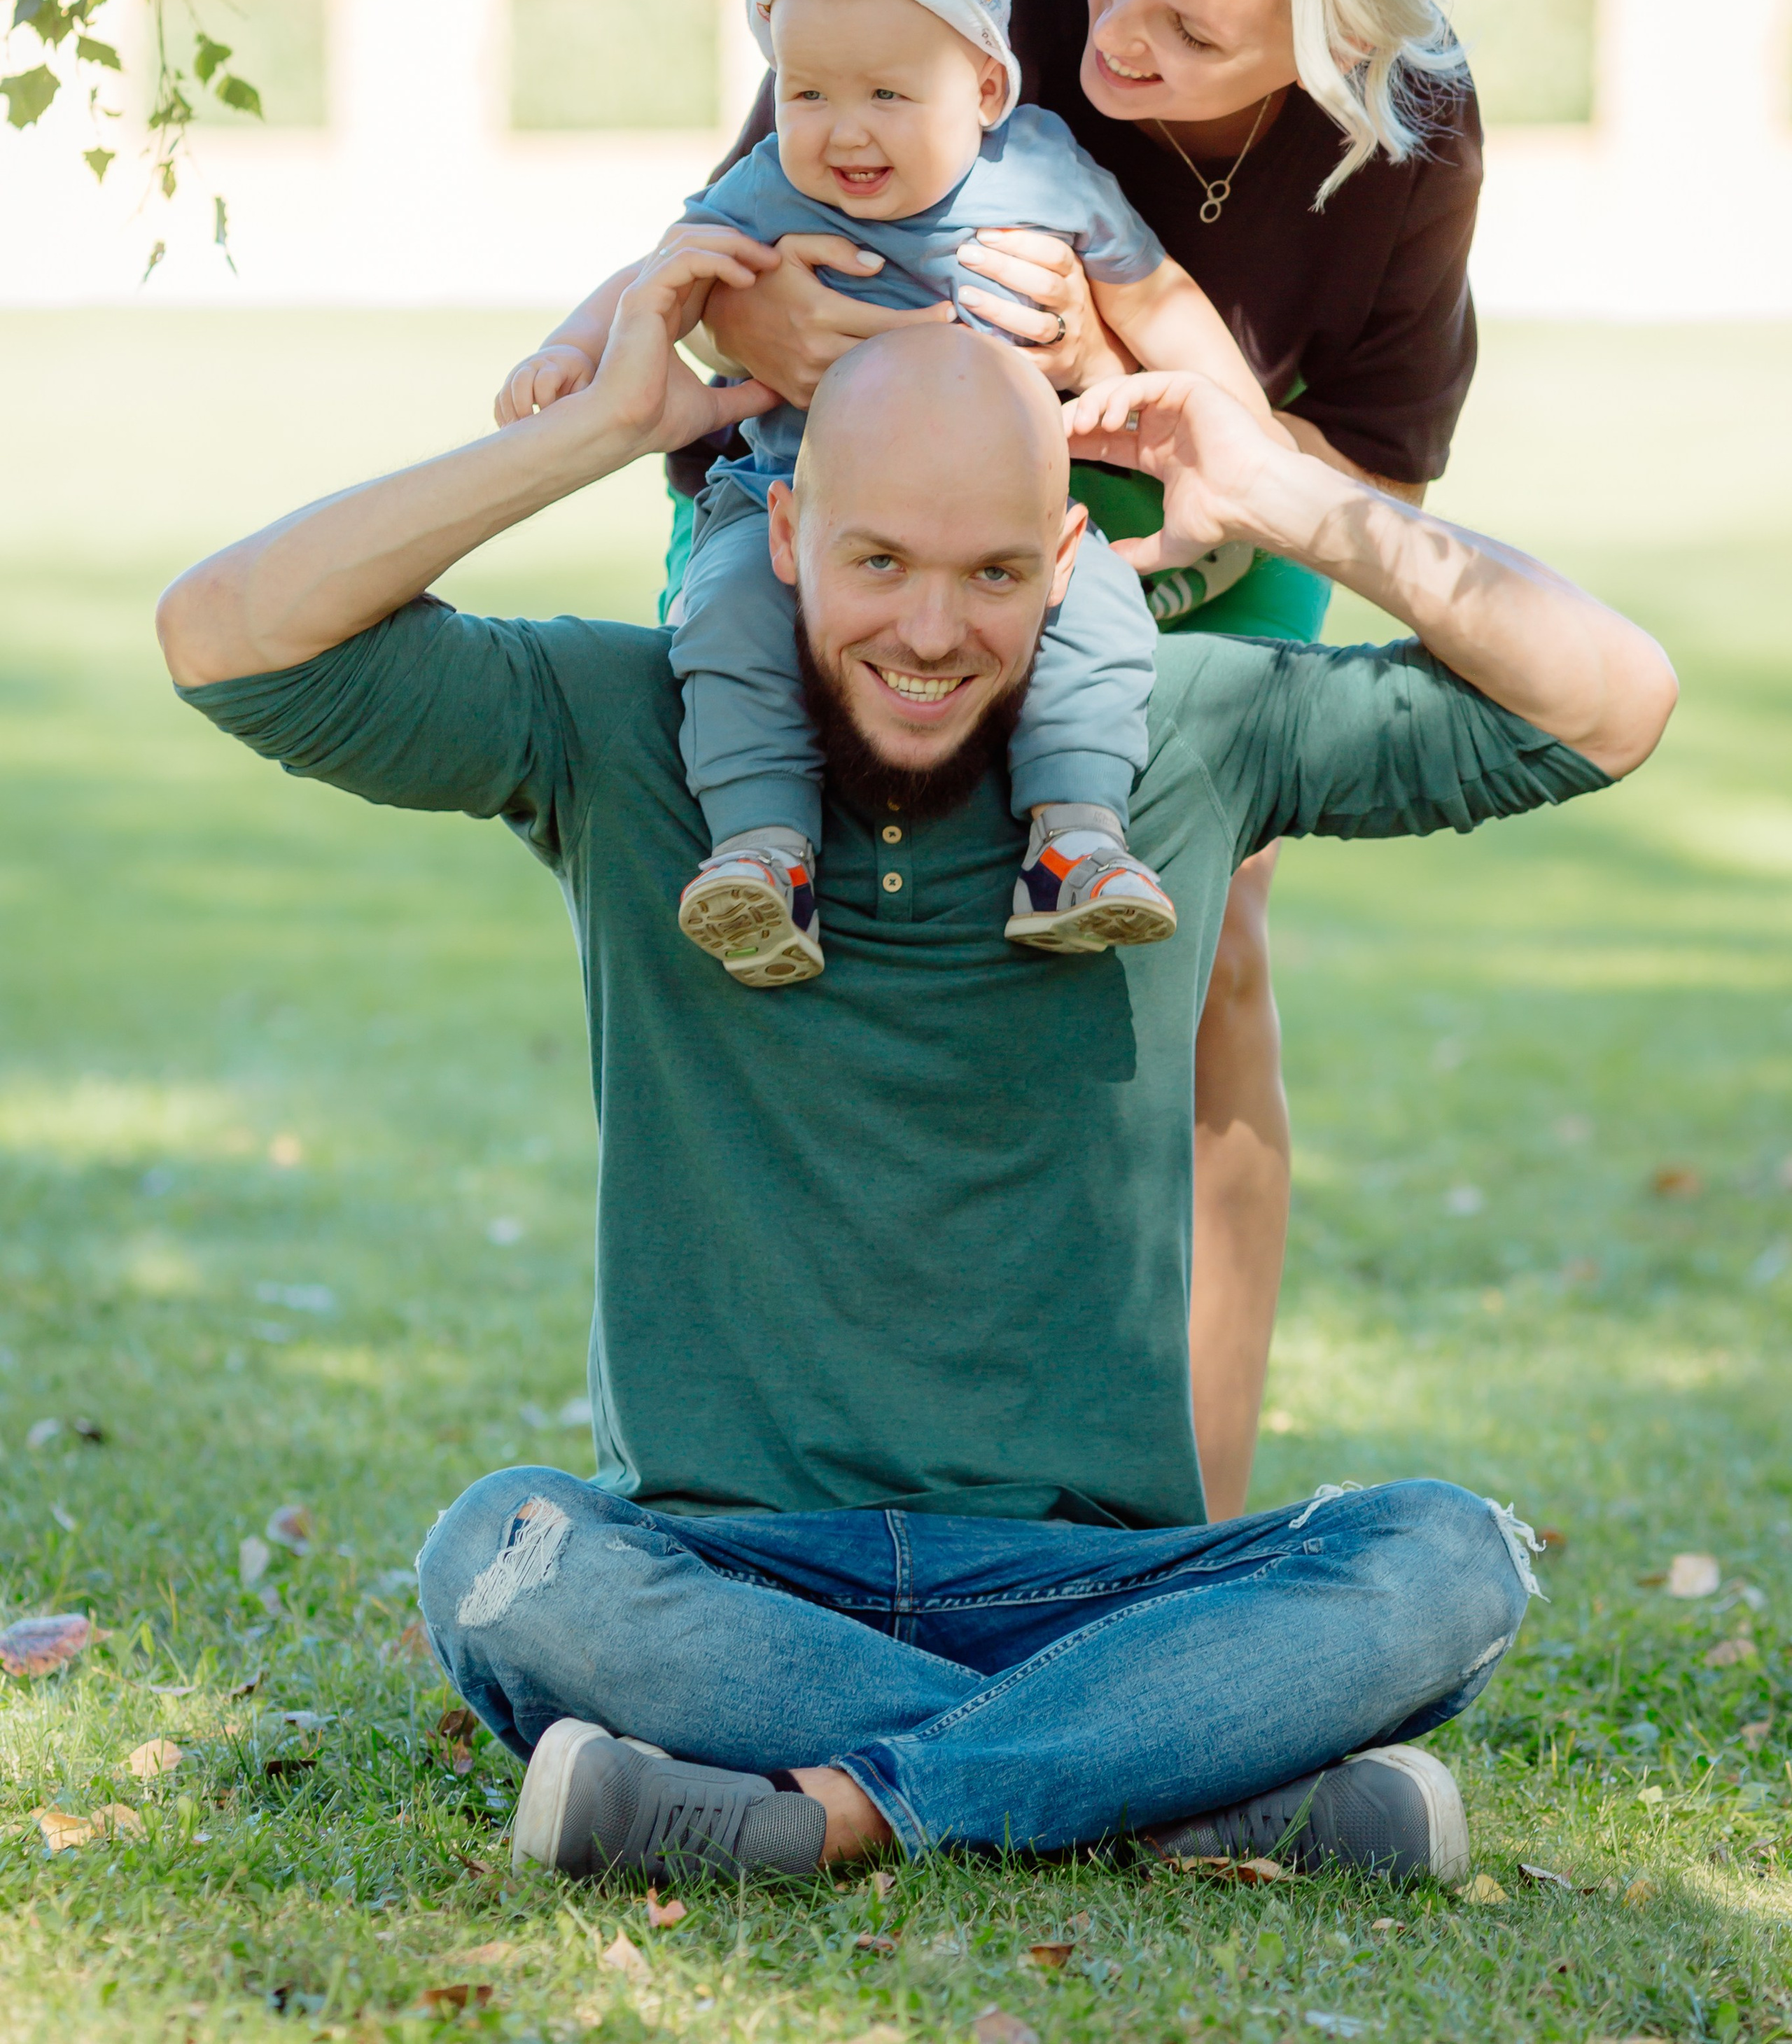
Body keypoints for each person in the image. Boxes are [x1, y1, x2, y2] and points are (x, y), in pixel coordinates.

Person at [155, 247, 1675, 1889]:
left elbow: (1609, 700)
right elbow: (228, 636)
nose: (933, 632)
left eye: (993, 573)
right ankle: (1169, 1782)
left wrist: (1285, 492)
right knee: (506, 1558)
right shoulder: (622, 720)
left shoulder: (1181, 728)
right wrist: (592, 430)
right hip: (723, 1564)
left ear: (1067, 560)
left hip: (1094, 1577)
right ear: (787, 532)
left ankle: (837, 1811)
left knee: (1444, 1559)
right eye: (877, 559)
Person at [672, 0, 1532, 1518]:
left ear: (1334, 49)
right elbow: (737, 242)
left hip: (1205, 516)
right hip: (847, 484)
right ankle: (773, 1472)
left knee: (1207, 971)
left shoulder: (1408, 145)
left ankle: (1187, 1517)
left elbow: (1362, 479)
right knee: (806, 915)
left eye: (1193, 30)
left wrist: (1122, 369)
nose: (1114, 32)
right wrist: (783, 322)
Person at [497, 0, 1280, 986]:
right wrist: (581, 346)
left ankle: (1074, 843)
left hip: (1003, 523)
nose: (843, 130)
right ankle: (766, 855)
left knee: (1100, 620)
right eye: (807, 92)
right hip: (789, 500)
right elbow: (659, 271)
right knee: (727, 621)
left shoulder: (1043, 173)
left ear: (988, 88)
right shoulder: (771, 187)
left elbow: (1157, 296)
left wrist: (1240, 425)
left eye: (886, 94)